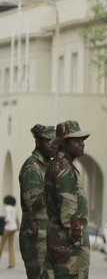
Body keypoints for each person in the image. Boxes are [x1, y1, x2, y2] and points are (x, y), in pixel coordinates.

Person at [45, 120, 91, 279]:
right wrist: (77, 241)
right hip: (69, 245)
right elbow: (68, 213)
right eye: (76, 140)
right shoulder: (64, 169)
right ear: (63, 143)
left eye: (82, 140)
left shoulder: (59, 165)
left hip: (61, 239)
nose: (82, 143)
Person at [19, 124, 58, 278]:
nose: (54, 146)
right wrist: (54, 187)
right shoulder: (32, 167)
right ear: (38, 142)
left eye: (56, 142)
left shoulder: (48, 165)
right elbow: (33, 204)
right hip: (35, 236)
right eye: (49, 142)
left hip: (48, 234)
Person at [0, 195, 18, 269]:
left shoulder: (7, 208)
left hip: (7, 228)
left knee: (1, 245)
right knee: (11, 246)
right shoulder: (14, 208)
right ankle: (12, 262)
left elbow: (8, 219)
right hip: (13, 228)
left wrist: (3, 218)